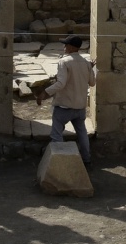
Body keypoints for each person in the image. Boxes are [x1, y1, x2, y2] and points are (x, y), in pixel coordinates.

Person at [39, 34, 96, 164]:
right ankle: (87, 160)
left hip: (64, 106)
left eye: (65, 45)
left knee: (56, 134)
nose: (64, 47)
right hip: (80, 107)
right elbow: (92, 83)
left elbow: (61, 83)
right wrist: (90, 70)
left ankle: (60, 162)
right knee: (82, 133)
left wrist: (45, 93)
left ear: (70, 47)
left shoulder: (64, 62)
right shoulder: (86, 64)